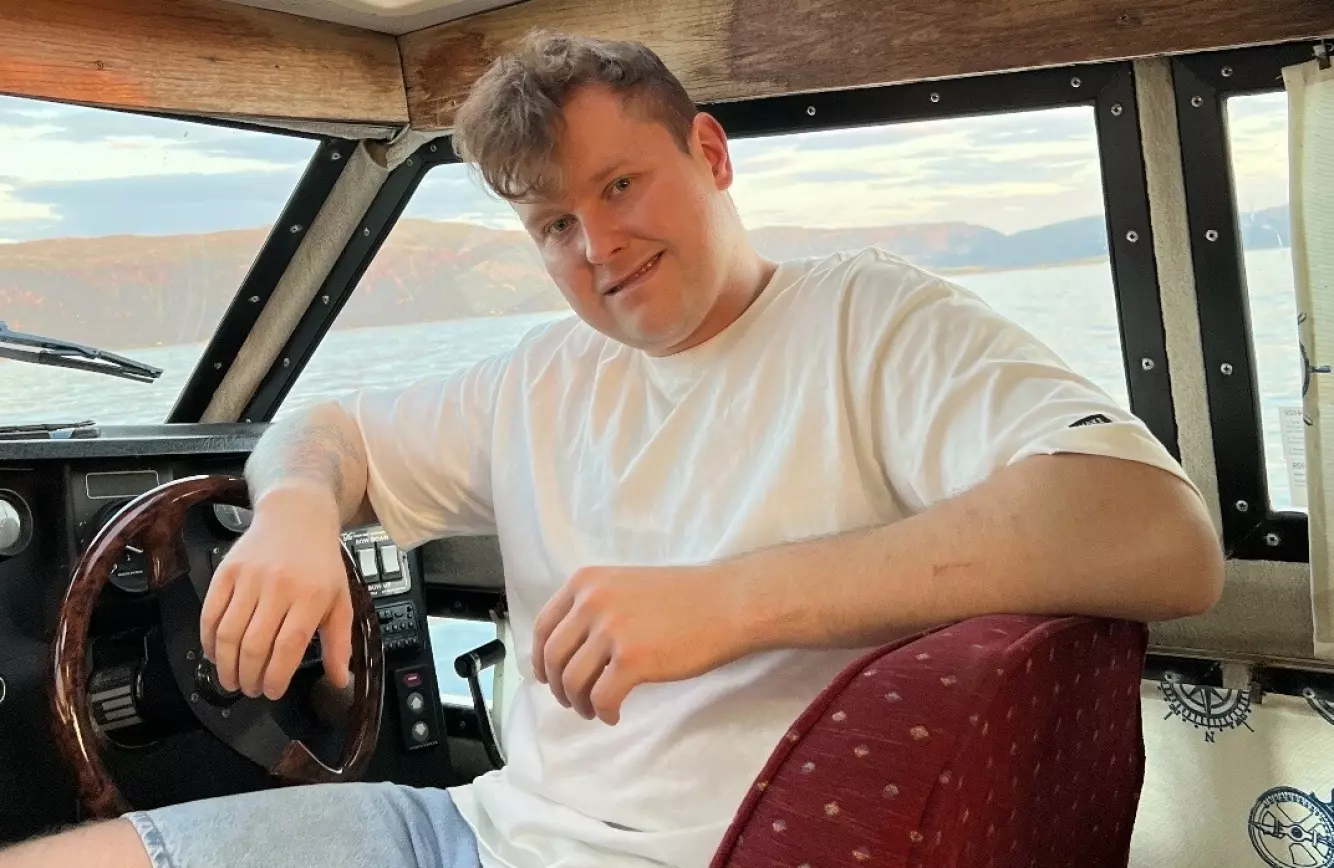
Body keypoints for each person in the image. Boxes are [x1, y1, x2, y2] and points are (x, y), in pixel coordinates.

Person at [1, 29, 1223, 868]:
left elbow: (1156, 534)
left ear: (709, 154)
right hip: (477, 831)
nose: (596, 247)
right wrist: (294, 517)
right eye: (552, 225)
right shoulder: (542, 376)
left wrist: (727, 601)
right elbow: (325, 431)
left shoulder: (868, 318)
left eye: (621, 186)